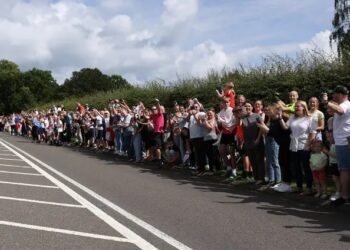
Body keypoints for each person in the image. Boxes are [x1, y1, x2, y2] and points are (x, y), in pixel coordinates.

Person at [279, 101, 316, 195]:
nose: (296, 108)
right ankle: (299, 187)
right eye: (295, 107)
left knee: (306, 167)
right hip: (294, 145)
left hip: (304, 144)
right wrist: (280, 118)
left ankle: (309, 188)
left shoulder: (309, 118)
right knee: (296, 167)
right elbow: (285, 127)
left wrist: (308, 145)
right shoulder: (292, 117)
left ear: (304, 107)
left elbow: (313, 133)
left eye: (298, 106)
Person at [326, 85, 350, 206]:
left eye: (334, 94)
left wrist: (327, 102)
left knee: (345, 170)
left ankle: (345, 196)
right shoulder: (344, 105)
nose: (333, 96)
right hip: (343, 141)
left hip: (344, 142)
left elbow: (340, 111)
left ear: (340, 94)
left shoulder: (345, 105)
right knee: (345, 169)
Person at [241, 101, 265, 184]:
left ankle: (261, 179)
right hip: (248, 142)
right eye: (246, 106)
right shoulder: (243, 118)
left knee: (259, 160)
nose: (247, 107)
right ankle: (256, 178)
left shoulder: (257, 116)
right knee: (253, 160)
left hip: (257, 140)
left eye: (249, 106)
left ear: (252, 107)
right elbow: (241, 127)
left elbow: (262, 127)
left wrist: (258, 139)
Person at [323, 131, 341, 201]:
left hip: (337, 164)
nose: (328, 139)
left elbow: (336, 155)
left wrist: (327, 152)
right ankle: (338, 191)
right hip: (333, 164)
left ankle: (339, 192)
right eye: (327, 137)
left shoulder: (337, 145)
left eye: (330, 137)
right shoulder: (332, 144)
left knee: (337, 178)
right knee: (335, 179)